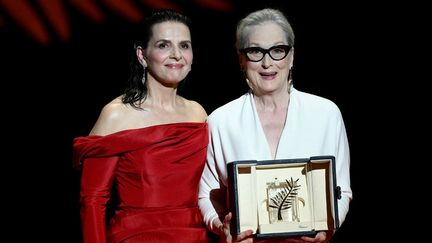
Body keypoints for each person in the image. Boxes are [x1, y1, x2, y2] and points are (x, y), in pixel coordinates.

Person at [199, 8, 352, 243]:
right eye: (255, 52)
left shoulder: (326, 114)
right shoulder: (221, 120)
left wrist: (328, 227)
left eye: (277, 50)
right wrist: (223, 228)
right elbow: (208, 196)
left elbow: (342, 190)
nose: (267, 63)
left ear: (291, 57)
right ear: (241, 58)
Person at [73, 9, 210, 243]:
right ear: (142, 55)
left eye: (184, 46)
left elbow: (209, 190)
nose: (177, 55)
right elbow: (93, 202)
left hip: (196, 236)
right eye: (163, 45)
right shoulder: (116, 115)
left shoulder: (198, 113)